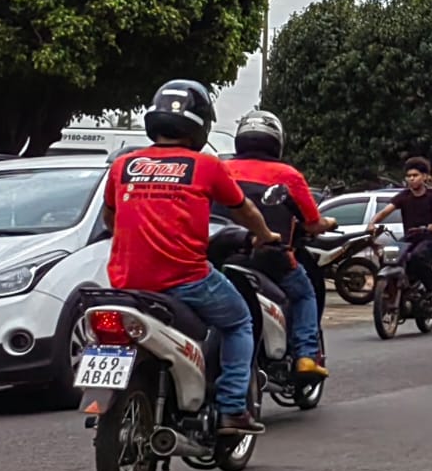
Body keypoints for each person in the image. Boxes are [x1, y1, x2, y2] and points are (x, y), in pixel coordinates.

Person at [103, 79, 280, 436]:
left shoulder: (123, 166)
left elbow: (110, 218)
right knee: (239, 321)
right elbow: (243, 210)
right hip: (186, 279)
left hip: (127, 282)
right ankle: (232, 408)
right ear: (200, 123)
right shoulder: (207, 166)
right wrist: (265, 235)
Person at [222, 109, 336, 379]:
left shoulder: (220, 168)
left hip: (221, 252)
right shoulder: (287, 174)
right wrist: (329, 222)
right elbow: (311, 224)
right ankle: (306, 356)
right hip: (269, 256)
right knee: (305, 293)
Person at [367, 157, 432, 300]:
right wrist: (372, 223)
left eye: (415, 175)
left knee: (417, 257)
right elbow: (385, 211)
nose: (411, 179)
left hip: (430, 237)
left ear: (425, 177)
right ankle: (392, 288)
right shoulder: (404, 196)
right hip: (411, 237)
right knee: (388, 255)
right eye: (408, 176)